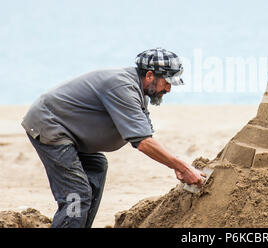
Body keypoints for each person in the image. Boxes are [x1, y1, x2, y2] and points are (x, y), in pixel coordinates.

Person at [21, 48, 205, 228]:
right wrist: (182, 166)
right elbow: (142, 142)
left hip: (70, 134)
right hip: (49, 126)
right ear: (150, 75)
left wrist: (177, 165)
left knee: (96, 166)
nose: (169, 89)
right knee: (77, 194)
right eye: (167, 82)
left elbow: (146, 135)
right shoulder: (122, 87)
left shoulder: (138, 93)